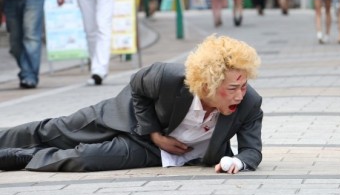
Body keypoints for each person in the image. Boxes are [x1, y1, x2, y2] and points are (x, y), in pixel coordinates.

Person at [0, 35, 263, 173]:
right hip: (126, 117)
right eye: (232, 88)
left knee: (87, 158)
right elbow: (137, 85)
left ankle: (22, 157)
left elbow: (252, 151)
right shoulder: (169, 77)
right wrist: (155, 134)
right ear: (207, 84)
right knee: (56, 130)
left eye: (243, 86)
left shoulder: (250, 103)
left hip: (152, 152)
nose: (241, 94)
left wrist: (237, 163)